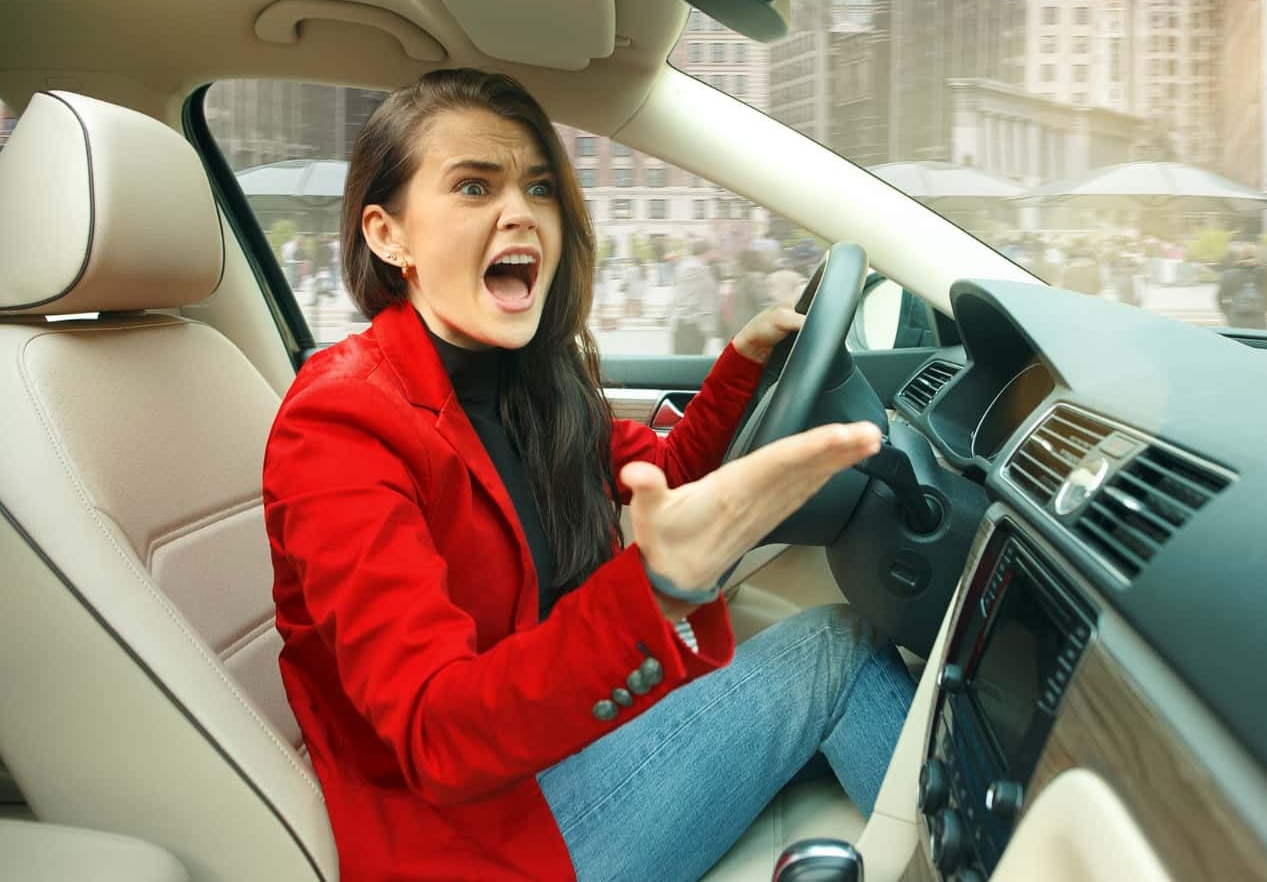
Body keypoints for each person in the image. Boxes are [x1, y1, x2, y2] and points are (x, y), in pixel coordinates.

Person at [261, 69, 912, 881]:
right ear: (390, 237)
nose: (520, 212)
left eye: (538, 186)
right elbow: (438, 733)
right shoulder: (342, 422)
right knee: (835, 650)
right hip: (478, 835)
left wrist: (741, 367)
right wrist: (654, 593)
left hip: (549, 756)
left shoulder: (526, 380)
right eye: (473, 186)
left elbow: (661, 473)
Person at [672, 238, 721, 354]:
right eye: (714, 250)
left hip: (690, 323)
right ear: (707, 251)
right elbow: (692, 298)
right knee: (688, 362)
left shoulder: (693, 266)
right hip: (691, 324)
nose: (716, 253)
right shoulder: (694, 268)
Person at [1216, 241, 1267, 329]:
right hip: (1258, 320)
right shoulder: (1264, 274)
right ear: (1256, 255)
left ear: (1239, 257)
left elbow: (1219, 298)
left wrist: (1228, 312)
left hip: (1236, 319)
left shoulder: (1228, 275)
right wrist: (1260, 310)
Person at [727, 248, 769, 336]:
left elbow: (762, 303)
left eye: (737, 261)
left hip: (749, 327)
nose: (735, 264)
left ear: (745, 262)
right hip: (742, 327)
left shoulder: (754, 278)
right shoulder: (743, 278)